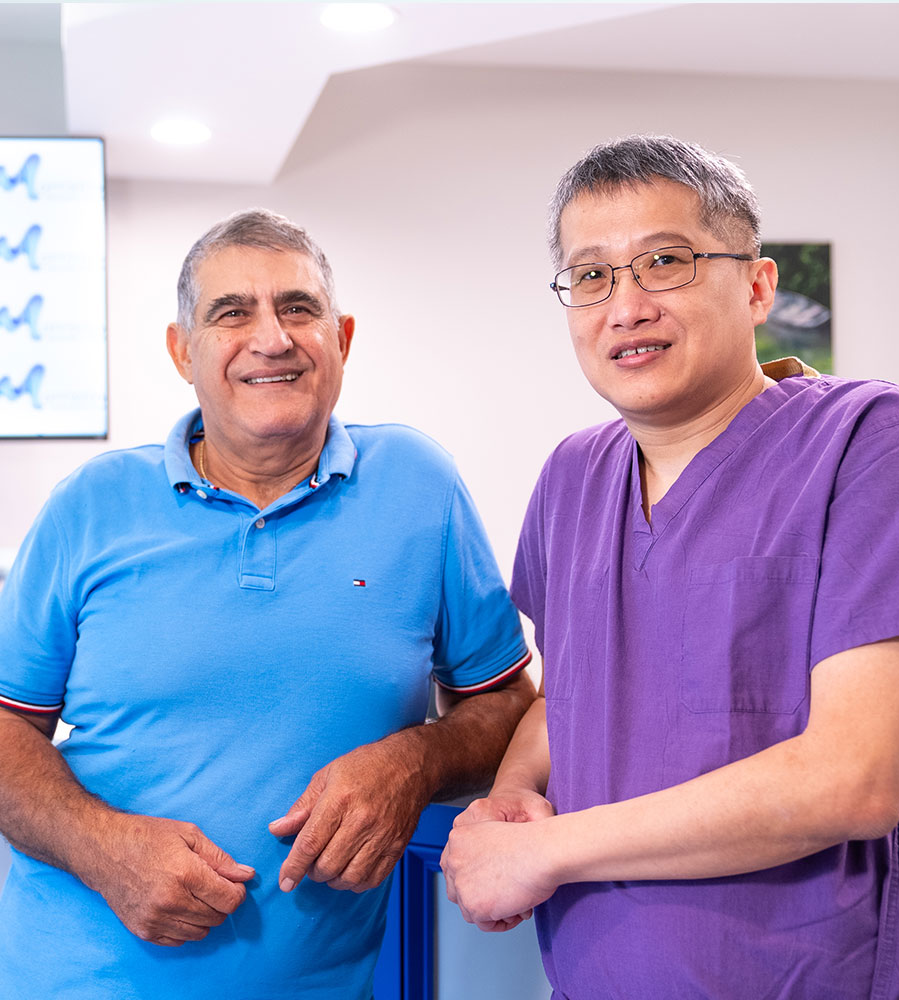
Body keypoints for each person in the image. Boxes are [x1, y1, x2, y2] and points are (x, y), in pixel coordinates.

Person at [441, 134, 899, 999]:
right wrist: (508, 799)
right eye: (592, 275)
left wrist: (546, 850)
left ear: (757, 287)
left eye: (664, 262)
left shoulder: (872, 445)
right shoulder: (573, 475)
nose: (625, 305)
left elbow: (854, 779)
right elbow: (568, 699)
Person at [0, 208, 534, 999]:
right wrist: (100, 847)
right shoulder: (92, 505)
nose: (272, 338)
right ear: (183, 351)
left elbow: (504, 706)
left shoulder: (420, 487)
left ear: (342, 338)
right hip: (71, 979)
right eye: (231, 313)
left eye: (297, 307)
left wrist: (413, 761)